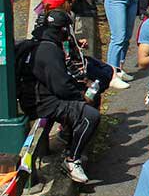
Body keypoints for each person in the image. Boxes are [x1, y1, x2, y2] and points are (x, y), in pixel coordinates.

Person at [15, 10, 101, 183]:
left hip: (36, 98)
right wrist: (82, 95)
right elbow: (62, 87)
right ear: (61, 30)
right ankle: (71, 160)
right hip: (43, 103)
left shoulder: (34, 44)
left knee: (87, 98)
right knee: (90, 115)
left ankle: (68, 138)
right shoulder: (49, 50)